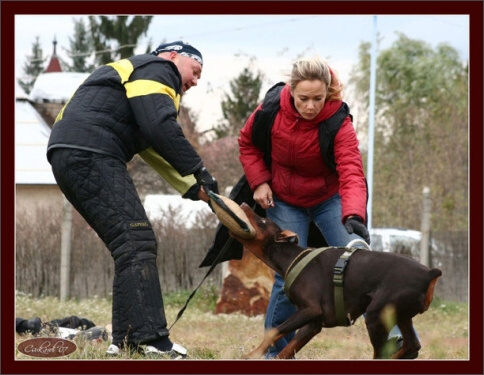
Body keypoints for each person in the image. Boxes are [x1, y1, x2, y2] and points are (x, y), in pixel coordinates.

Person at [47, 41, 218, 359]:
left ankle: (125, 340)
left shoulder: (139, 85)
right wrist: (200, 170)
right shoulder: (156, 69)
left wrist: (198, 187)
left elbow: (154, 143)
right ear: (173, 56)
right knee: (137, 243)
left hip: (73, 152)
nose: (195, 81)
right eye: (195, 71)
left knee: (131, 245)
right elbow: (160, 127)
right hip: (91, 152)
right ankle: (151, 339)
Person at [238, 56, 417, 359]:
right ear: (291, 91)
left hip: (329, 200)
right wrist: (259, 181)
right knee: (287, 275)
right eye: (303, 98)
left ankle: (396, 340)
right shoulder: (269, 110)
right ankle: (277, 354)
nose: (310, 106)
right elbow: (247, 143)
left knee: (361, 263)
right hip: (284, 199)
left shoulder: (338, 122)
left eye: (318, 99)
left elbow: (351, 171)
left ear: (329, 93)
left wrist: (354, 216)